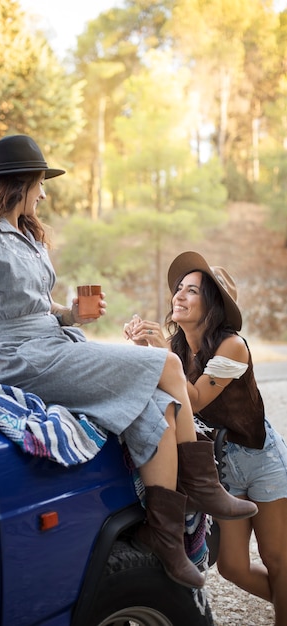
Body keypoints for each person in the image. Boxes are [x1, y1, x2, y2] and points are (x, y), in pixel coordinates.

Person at [0, 136, 256, 590]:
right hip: (23, 358)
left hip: (54, 341)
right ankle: (202, 486)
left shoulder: (28, 236)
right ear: (20, 183)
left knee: (159, 408)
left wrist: (70, 314)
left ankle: (164, 536)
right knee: (167, 366)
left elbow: (38, 307)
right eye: (40, 183)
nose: (43, 194)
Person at [124, 250, 287, 624]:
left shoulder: (233, 346)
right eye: (178, 289)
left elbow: (194, 399)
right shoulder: (177, 348)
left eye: (191, 291)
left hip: (260, 458)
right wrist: (141, 348)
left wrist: (162, 353)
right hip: (220, 463)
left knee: (277, 560)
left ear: (212, 304)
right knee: (232, 568)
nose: (178, 295)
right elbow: (163, 387)